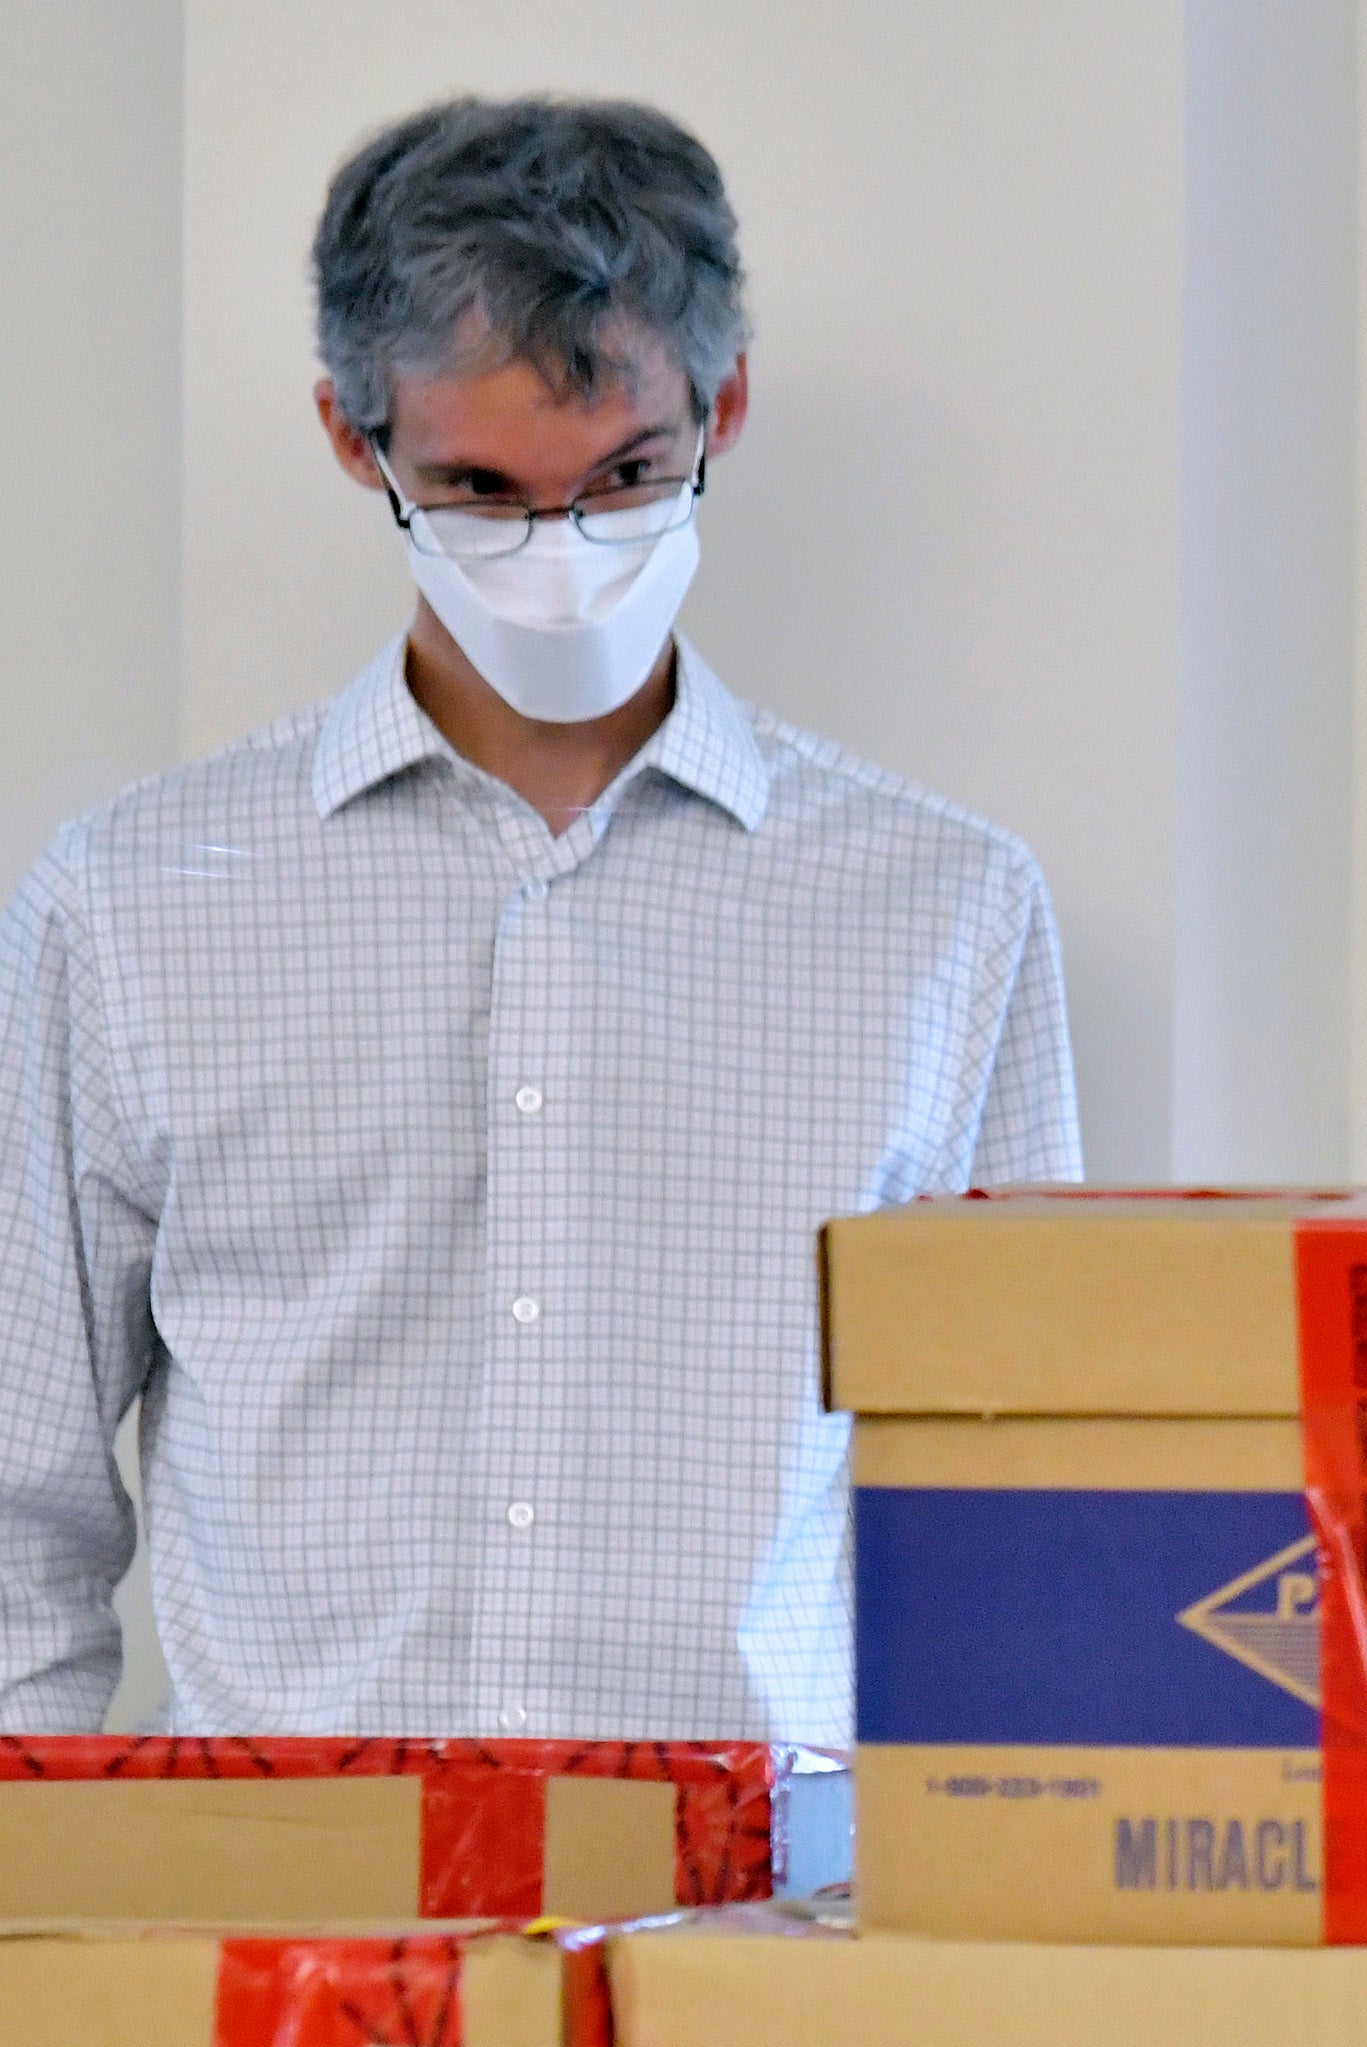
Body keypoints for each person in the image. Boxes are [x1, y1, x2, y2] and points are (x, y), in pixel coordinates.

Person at [0, 96, 1079, 1742]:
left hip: (764, 1923)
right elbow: (23, 1511)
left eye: (629, 475)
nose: (564, 556)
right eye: (482, 491)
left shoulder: (946, 912)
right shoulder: (127, 908)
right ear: (354, 440)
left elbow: (1019, 1502)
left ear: (723, 403)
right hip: (287, 1933)